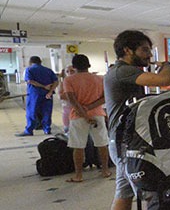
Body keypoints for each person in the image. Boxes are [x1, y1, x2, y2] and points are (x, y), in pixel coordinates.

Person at [104, 30, 170, 210]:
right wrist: (166, 64)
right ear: (127, 50)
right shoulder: (123, 71)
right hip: (125, 144)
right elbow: (165, 80)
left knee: (123, 192)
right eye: (144, 50)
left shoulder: (117, 72)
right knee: (147, 191)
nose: (148, 55)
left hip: (121, 141)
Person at [63, 54, 111, 182]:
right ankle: (105, 170)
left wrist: (84, 113)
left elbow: (71, 100)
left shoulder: (69, 80)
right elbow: (105, 97)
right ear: (89, 65)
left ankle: (79, 175)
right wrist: (90, 108)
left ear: (74, 67)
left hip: (77, 116)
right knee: (102, 143)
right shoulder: (100, 79)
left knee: (78, 146)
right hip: (98, 114)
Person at [16, 56, 58, 136]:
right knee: (47, 112)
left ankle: (29, 130)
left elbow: (30, 81)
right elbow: (56, 81)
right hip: (47, 95)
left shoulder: (29, 69)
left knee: (32, 112)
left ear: (30, 62)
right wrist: (50, 91)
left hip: (34, 94)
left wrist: (43, 86)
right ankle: (47, 129)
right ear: (40, 61)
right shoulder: (48, 70)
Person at [58, 64, 76, 134]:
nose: (70, 73)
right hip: (67, 111)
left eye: (72, 71)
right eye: (67, 71)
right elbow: (61, 96)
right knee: (67, 130)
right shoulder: (63, 83)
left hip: (78, 111)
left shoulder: (79, 82)